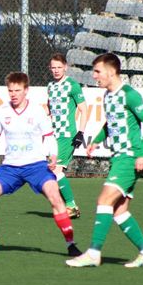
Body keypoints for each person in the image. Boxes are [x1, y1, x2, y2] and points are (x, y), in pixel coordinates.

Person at [0, 72, 81, 257]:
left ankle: (71, 244)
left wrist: (53, 155)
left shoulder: (37, 111)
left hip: (36, 166)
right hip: (10, 167)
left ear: (26, 90)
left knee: (55, 196)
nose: (13, 94)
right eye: (10, 91)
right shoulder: (2, 111)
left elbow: (49, 137)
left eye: (17, 90)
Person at [66, 53, 143, 268]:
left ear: (112, 71)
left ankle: (93, 252)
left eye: (98, 71)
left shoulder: (129, 95)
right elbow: (111, 123)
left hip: (129, 157)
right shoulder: (108, 96)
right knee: (119, 211)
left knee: (104, 200)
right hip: (118, 158)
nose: (94, 76)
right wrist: (96, 140)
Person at [47, 53, 88, 218]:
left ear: (65, 67)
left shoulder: (72, 85)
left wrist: (80, 133)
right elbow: (50, 109)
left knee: (56, 170)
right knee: (50, 172)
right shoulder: (51, 86)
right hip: (53, 135)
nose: (56, 70)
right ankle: (67, 206)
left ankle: (71, 206)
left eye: (59, 67)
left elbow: (84, 109)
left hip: (67, 135)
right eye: (53, 67)